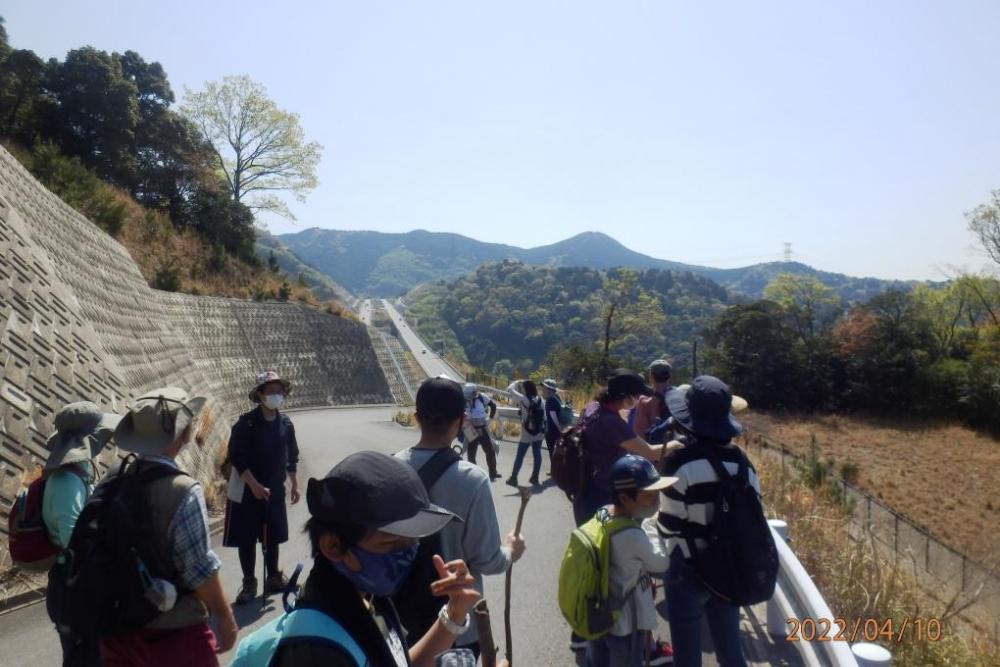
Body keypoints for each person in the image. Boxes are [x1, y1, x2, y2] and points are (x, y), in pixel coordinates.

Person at [249, 450, 489, 666]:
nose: (408, 553)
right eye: (390, 542)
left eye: (413, 541)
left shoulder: (363, 597)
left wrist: (453, 614)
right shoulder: (318, 650)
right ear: (333, 546)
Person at [101, 387, 238, 665]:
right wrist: (224, 616)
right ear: (184, 432)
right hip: (174, 636)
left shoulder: (111, 480)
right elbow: (199, 569)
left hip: (115, 632)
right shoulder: (183, 491)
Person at [396, 377, 526, 657]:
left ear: (417, 418)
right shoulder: (472, 480)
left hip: (399, 618)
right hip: (455, 624)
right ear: (462, 418)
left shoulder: (390, 468)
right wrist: (511, 551)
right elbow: (488, 560)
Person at [656, 376, 757, 667]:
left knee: (687, 656)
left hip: (687, 569)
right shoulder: (744, 464)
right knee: (730, 649)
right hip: (728, 567)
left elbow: (668, 526)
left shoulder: (681, 463)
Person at [42, 402, 120, 666]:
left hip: (75, 583)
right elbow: (75, 542)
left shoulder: (77, 474)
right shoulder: (67, 482)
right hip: (74, 587)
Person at [585, 455, 676, 667]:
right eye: (649, 495)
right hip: (625, 624)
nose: (657, 500)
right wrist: (652, 527)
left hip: (599, 613)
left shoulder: (603, 514)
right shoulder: (633, 534)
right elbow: (661, 564)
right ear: (625, 499)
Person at [225, 371, 301, 605]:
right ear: (260, 395)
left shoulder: (285, 424)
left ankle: (274, 577)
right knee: (247, 538)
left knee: (273, 536)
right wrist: (255, 485)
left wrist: (294, 484)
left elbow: (291, 456)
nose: (277, 396)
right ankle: (249, 582)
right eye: (271, 392)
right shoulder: (246, 424)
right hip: (248, 491)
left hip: (274, 491)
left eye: (279, 391)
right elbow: (237, 458)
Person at [573, 370, 664, 527]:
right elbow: (651, 453)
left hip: (584, 490)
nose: (639, 399)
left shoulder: (592, 408)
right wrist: (678, 443)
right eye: (637, 396)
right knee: (606, 547)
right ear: (626, 396)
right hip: (602, 497)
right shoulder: (612, 423)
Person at [505, 379, 546, 487]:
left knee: (520, 456)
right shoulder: (541, 400)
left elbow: (509, 389)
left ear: (526, 389)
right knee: (537, 454)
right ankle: (535, 478)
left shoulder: (523, 399)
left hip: (527, 432)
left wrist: (517, 381)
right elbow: (544, 417)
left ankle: (513, 478)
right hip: (539, 432)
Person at [462, 383, 499, 480]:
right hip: (470, 428)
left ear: (474, 392)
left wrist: (490, 419)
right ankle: (474, 475)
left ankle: (493, 472)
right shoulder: (464, 400)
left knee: (490, 451)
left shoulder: (482, 397)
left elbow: (493, 405)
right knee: (471, 453)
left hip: (482, 427)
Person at [631, 360, 673, 441]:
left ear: (651, 377)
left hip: (654, 449)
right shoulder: (680, 397)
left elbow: (640, 432)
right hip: (677, 448)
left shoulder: (644, 402)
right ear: (669, 377)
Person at [541, 379, 564, 467]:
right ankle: (555, 470)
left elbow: (554, 417)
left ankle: (555, 470)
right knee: (554, 451)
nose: (542, 389)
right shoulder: (556, 398)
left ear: (550, 390)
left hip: (553, 431)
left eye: (544, 388)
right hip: (555, 431)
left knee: (552, 451)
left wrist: (560, 430)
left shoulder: (551, 401)